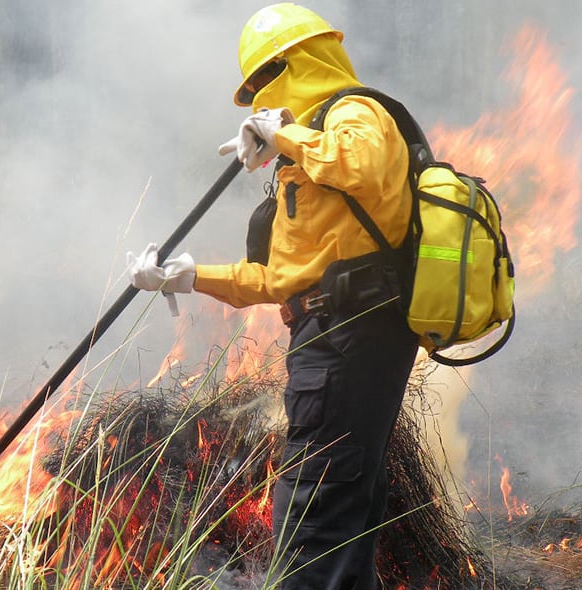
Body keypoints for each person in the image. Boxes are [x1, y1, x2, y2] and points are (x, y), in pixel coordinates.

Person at [128, 3, 419, 588]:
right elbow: (281, 280)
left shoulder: (355, 113)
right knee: (338, 520)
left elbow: (359, 164)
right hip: (331, 339)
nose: (260, 97)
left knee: (310, 520)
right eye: (255, 89)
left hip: (350, 341)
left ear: (300, 61)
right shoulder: (303, 156)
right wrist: (188, 275)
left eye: (265, 79)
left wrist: (282, 132)